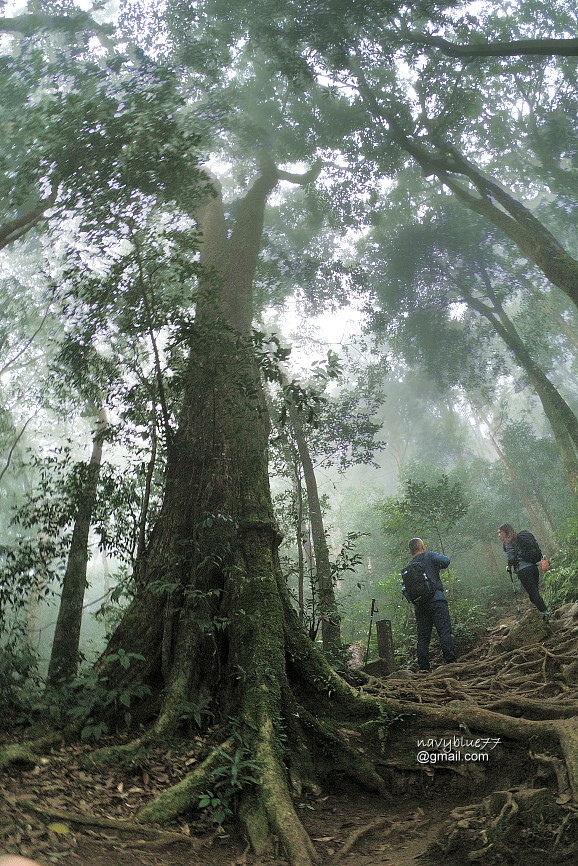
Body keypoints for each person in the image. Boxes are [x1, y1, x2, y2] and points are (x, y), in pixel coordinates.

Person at [404, 537, 457, 672]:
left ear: (411, 551)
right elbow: (446, 561)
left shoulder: (409, 567)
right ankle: (451, 664)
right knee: (444, 632)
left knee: (423, 637)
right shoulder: (429, 556)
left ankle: (424, 668)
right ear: (422, 546)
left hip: (420, 605)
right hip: (436, 600)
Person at [497, 523, 550, 616]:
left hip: (523, 571)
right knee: (534, 594)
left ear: (505, 532)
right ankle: (544, 612)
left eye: (499, 532)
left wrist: (509, 566)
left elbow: (511, 558)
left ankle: (546, 613)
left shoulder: (508, 541)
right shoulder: (518, 538)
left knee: (533, 595)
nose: (499, 535)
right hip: (533, 568)